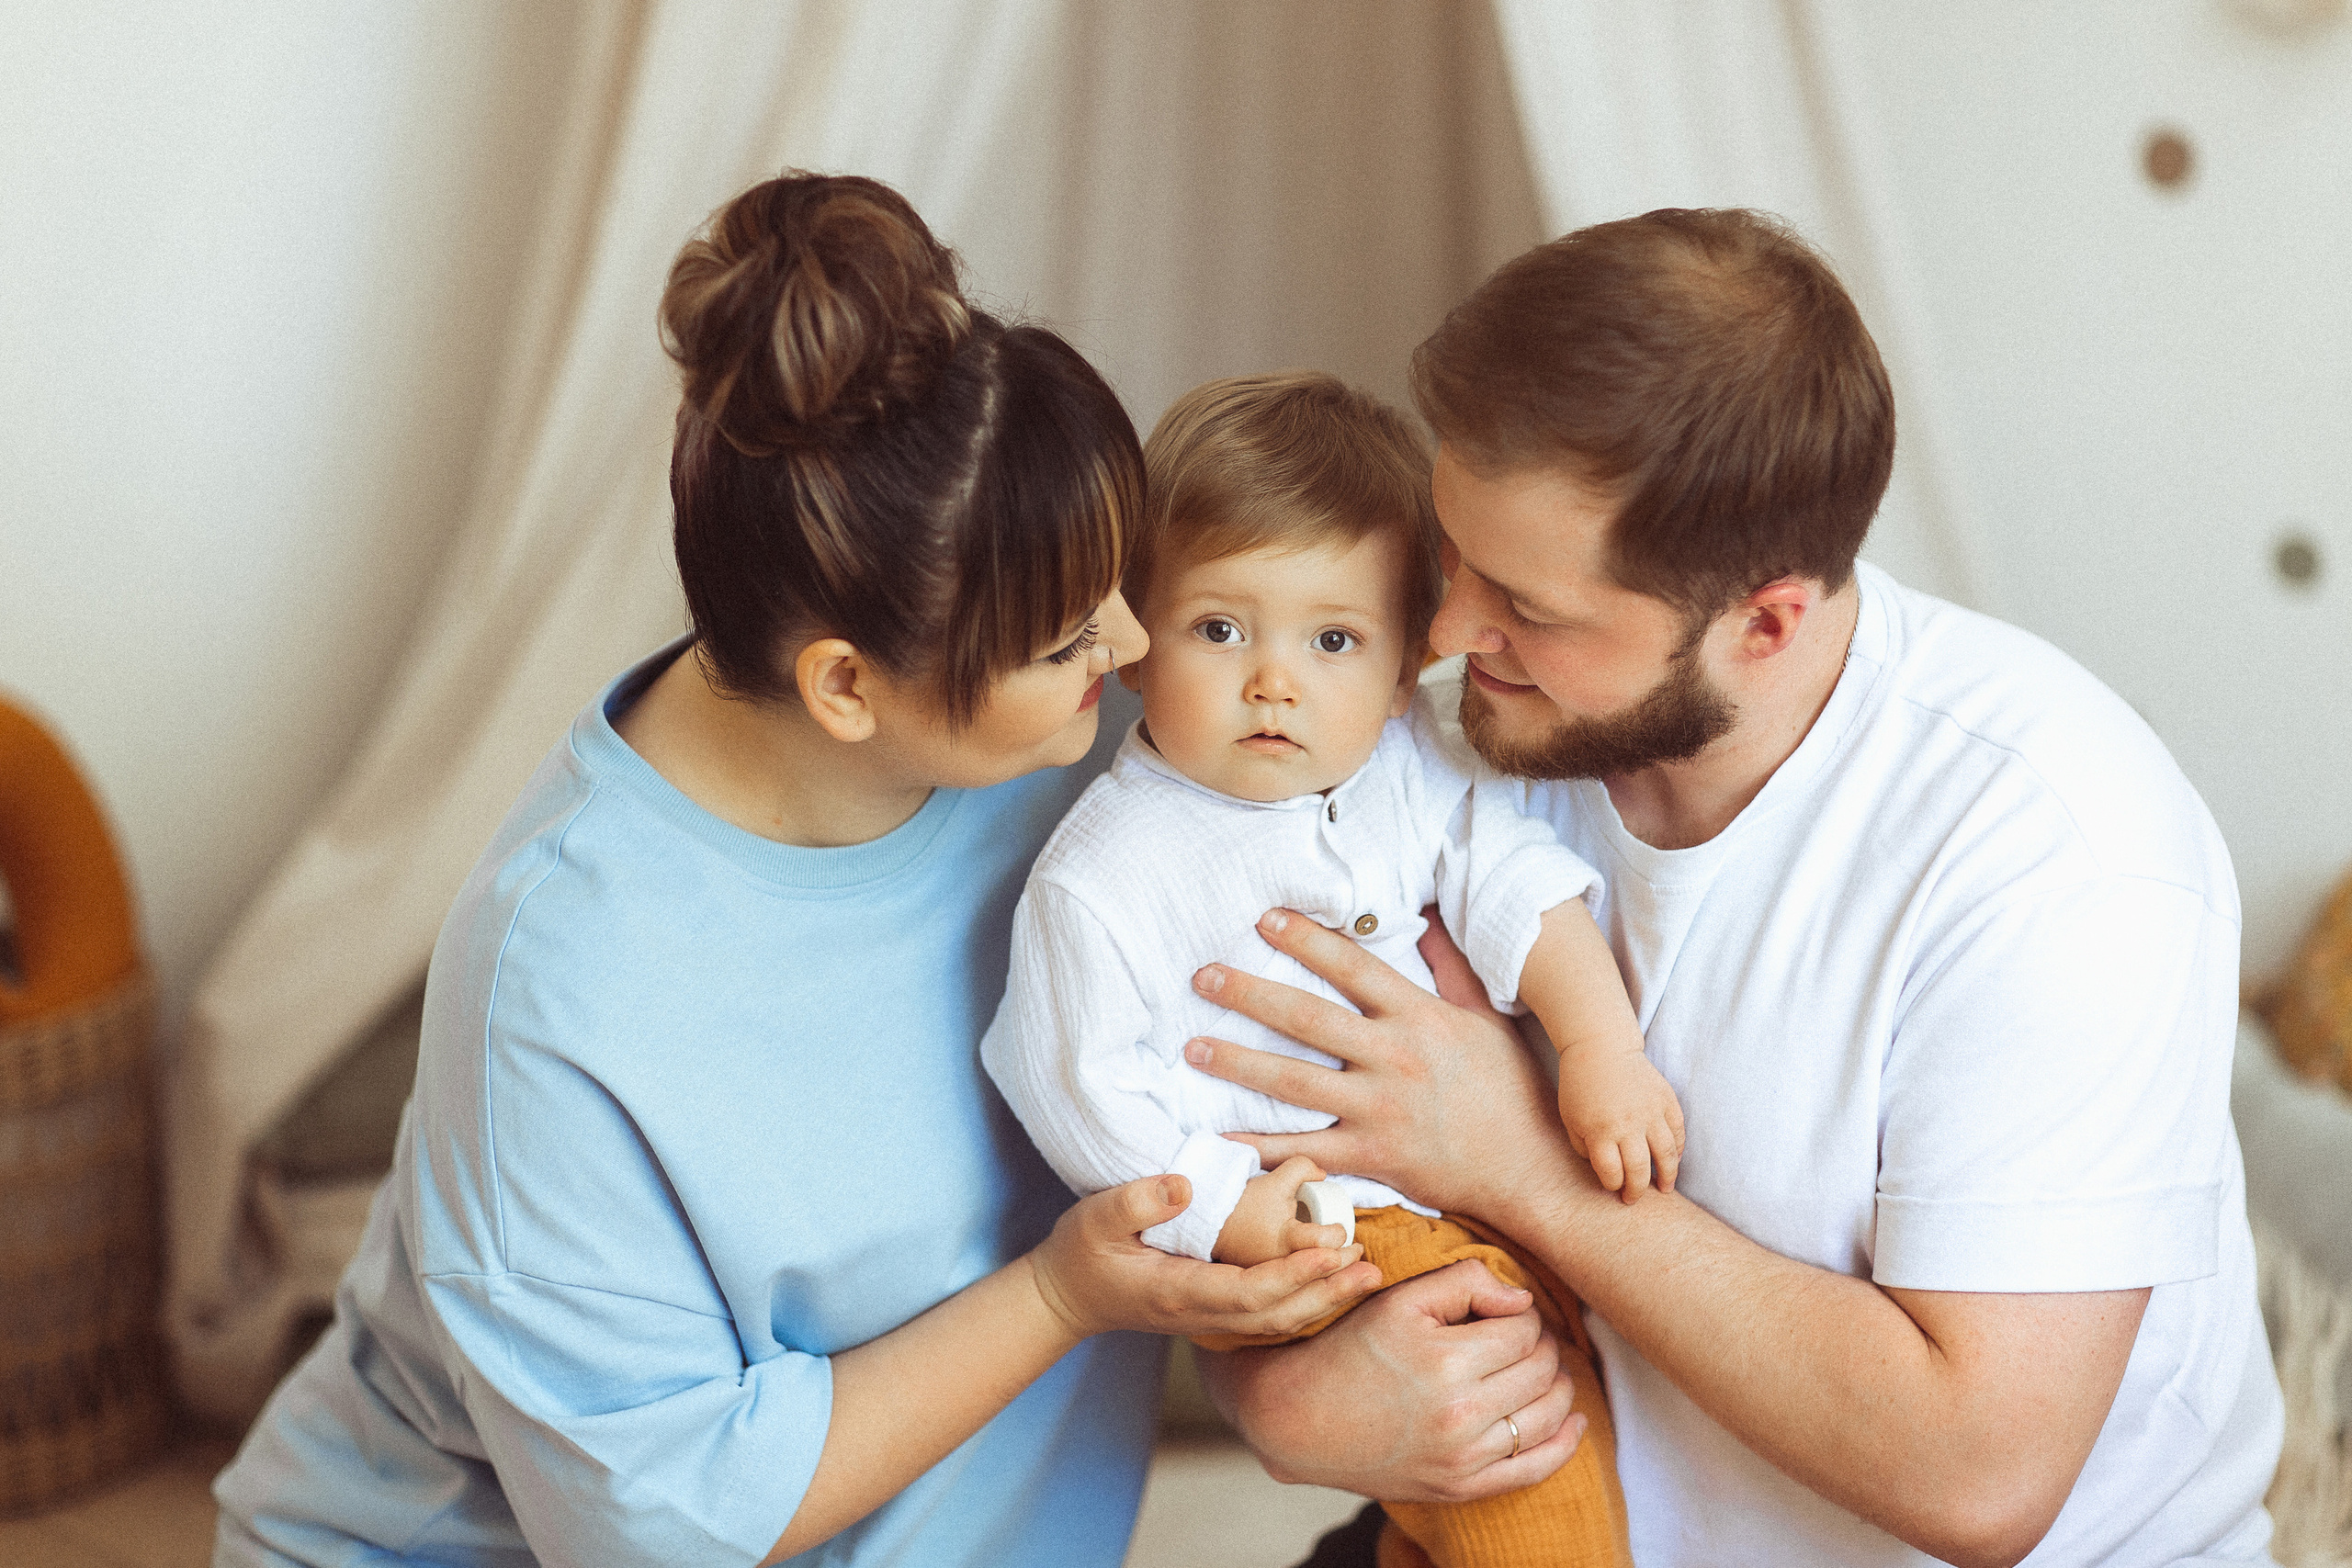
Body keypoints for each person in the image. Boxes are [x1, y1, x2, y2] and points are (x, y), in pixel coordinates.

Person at [209, 172, 1385, 1568]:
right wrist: (1061, 1299)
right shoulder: (565, 986)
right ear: (845, 687)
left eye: (1119, 591)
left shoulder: (1072, 747)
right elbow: (662, 1531)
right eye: (1067, 640)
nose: (1134, 650)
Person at [1182, 209, 2285, 1567]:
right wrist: (1286, 1402)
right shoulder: (1452, 742)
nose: (1451, 635)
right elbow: (1216, 1128)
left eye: (1530, 607)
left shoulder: (2059, 853)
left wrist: (1522, 1167)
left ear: (1766, 623)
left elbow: (1981, 1476)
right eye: (1452, 555)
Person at [983, 371, 1684, 1567]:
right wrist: (1229, 1207)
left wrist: (1601, 1048)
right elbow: (1078, 1084)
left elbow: (1517, 886)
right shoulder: (1103, 874)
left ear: (1406, 669)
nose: (1275, 680)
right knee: (1542, 1508)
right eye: (1220, 630)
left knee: (1553, 1459)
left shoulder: (1407, 765)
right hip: (1328, 1229)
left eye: (1334, 640)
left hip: (1481, 1201)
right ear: (1138, 642)